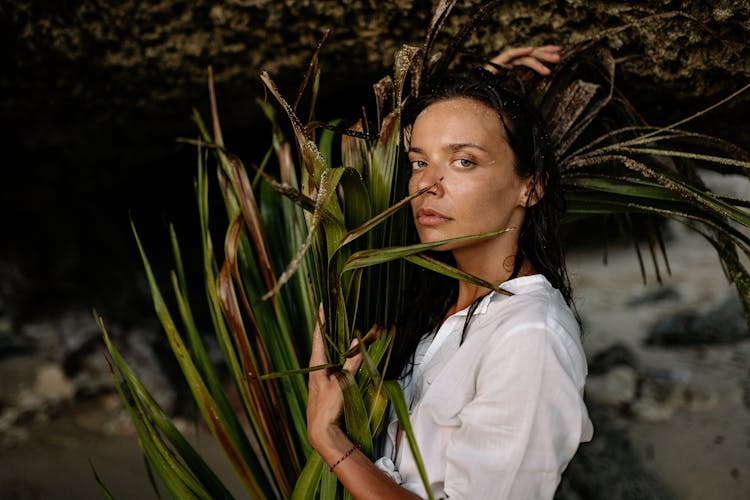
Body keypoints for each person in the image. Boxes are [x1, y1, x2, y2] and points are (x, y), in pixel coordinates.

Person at [306, 45, 593, 499]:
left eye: (464, 161)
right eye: (419, 162)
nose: (426, 184)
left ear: (531, 186)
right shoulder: (438, 304)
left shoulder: (530, 338)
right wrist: (481, 86)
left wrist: (328, 438)